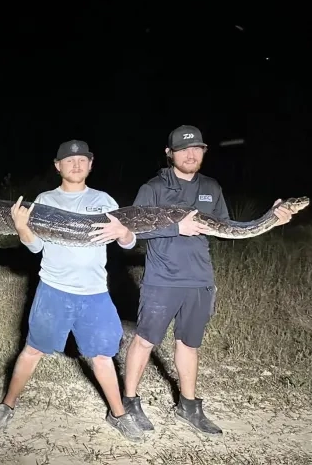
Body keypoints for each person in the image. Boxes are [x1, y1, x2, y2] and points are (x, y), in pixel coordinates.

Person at [121, 125, 295, 435]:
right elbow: (134, 232)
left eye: (197, 148)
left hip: (200, 280)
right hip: (162, 280)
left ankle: (188, 407)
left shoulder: (212, 187)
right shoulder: (153, 188)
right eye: (184, 149)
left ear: (204, 151)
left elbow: (228, 230)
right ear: (169, 153)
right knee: (145, 340)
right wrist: (177, 228)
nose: (191, 154)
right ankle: (129, 402)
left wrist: (270, 218)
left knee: (189, 344)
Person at [0, 140, 145, 442]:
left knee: (102, 356)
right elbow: (36, 246)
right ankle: (8, 404)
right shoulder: (45, 200)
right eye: (69, 160)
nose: (76, 164)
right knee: (32, 350)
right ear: (58, 166)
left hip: (95, 293)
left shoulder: (105, 201)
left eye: (82, 159)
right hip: (54, 291)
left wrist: (124, 232)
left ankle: (118, 414)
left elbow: (127, 243)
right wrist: (22, 228)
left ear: (91, 163)